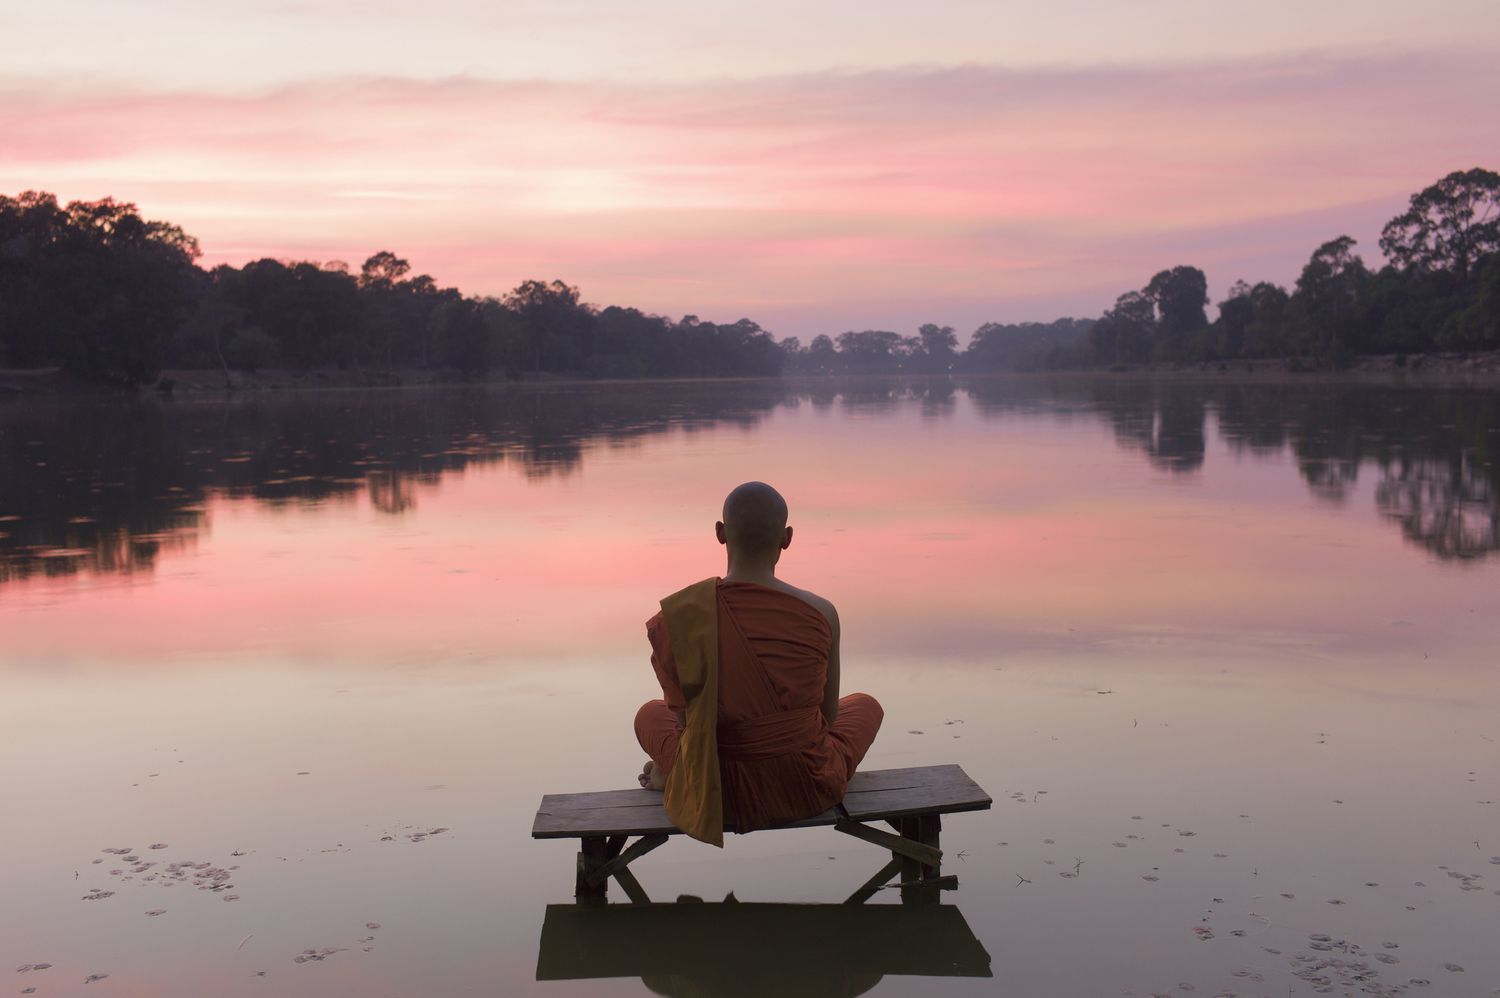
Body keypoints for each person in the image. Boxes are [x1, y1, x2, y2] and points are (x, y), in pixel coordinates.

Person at [633, 481, 883, 845]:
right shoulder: (821, 612)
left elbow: (688, 724)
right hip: (807, 786)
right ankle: (679, 774)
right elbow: (828, 718)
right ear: (787, 538)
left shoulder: (680, 617)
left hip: (717, 790)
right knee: (865, 707)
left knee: (648, 715)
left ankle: (674, 777)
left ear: (720, 533)